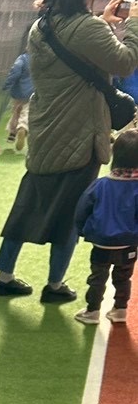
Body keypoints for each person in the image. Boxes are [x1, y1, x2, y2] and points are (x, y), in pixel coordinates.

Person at [0, 0, 138, 304]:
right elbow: (125, 62)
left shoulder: (41, 26)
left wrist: (103, 22)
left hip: (45, 130)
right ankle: (55, 285)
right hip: (80, 135)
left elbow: (78, 43)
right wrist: (133, 24)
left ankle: (4, 276)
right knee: (71, 214)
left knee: (27, 205)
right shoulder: (86, 27)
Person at [73, 123, 138, 324]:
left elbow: (82, 209)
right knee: (123, 277)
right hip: (129, 242)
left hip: (101, 241)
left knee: (97, 278)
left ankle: (92, 311)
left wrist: (82, 230)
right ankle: (120, 310)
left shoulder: (101, 184)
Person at [2, 31, 34, 151]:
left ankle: (12, 133)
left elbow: (15, 72)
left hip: (18, 92)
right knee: (26, 112)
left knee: (16, 111)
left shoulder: (22, 59)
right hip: (31, 92)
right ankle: (23, 127)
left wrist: (7, 84)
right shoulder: (38, 60)